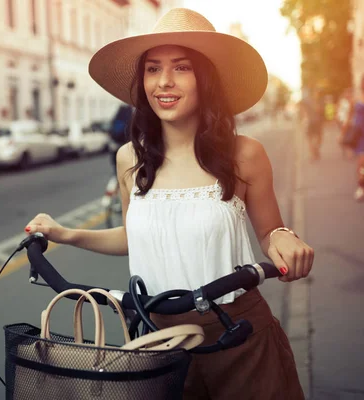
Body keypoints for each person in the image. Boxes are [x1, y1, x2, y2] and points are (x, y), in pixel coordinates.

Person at [24, 8, 314, 399]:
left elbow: (270, 232)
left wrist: (285, 241)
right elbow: (134, 237)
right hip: (159, 344)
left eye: (181, 68)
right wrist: (65, 234)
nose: (164, 82)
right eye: (152, 69)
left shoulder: (245, 154)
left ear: (205, 79)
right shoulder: (130, 158)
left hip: (239, 335)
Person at [340, 76, 364, 201]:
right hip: (360, 136)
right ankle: (361, 187)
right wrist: (343, 133)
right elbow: (349, 118)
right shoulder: (356, 100)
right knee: (361, 163)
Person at [302, 88, 325, 161]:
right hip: (310, 122)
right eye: (315, 92)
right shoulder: (308, 101)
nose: (317, 94)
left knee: (319, 138)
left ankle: (315, 150)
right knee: (310, 138)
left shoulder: (320, 100)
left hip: (318, 122)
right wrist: (304, 119)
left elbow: (321, 110)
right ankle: (313, 154)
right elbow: (303, 110)